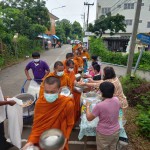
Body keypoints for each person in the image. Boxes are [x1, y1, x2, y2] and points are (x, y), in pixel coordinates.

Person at [22, 76, 74, 150]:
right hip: (42, 140)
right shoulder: (40, 103)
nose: (49, 94)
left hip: (58, 140)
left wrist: (65, 140)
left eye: (52, 92)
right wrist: (30, 142)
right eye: (46, 91)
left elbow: (70, 124)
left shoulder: (67, 103)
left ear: (59, 90)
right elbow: (36, 126)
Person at [86, 82, 120, 150]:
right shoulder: (116, 100)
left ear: (102, 92)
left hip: (104, 134)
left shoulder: (100, 105)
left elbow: (89, 118)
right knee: (112, 147)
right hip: (116, 131)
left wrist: (87, 106)